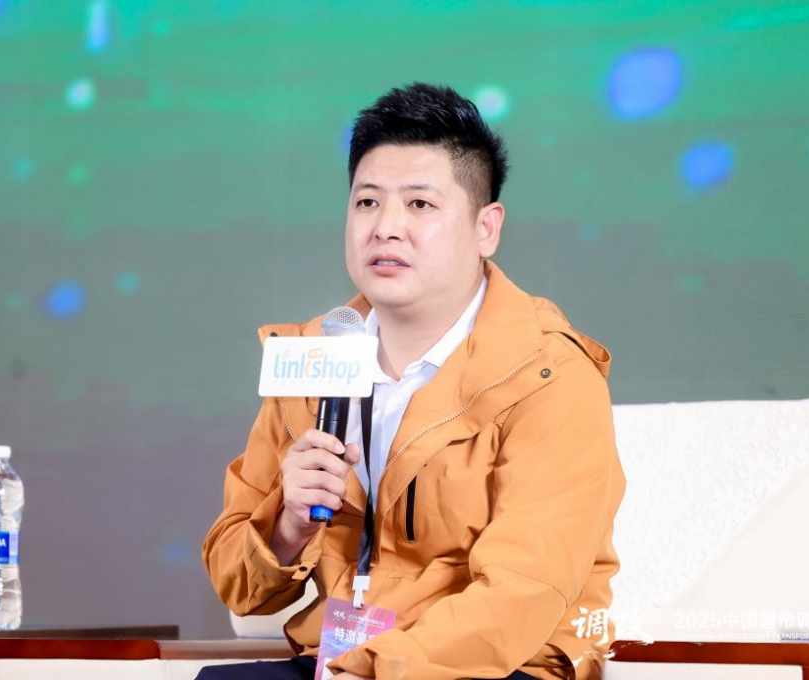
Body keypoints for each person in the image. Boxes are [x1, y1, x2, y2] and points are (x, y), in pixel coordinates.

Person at [201, 82, 625, 680]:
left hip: (497, 666)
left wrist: (377, 669)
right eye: (367, 202)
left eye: (420, 204)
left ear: (486, 228)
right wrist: (288, 524)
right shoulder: (315, 358)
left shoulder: (550, 375)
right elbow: (236, 585)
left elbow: (523, 592)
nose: (385, 227)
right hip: (345, 659)